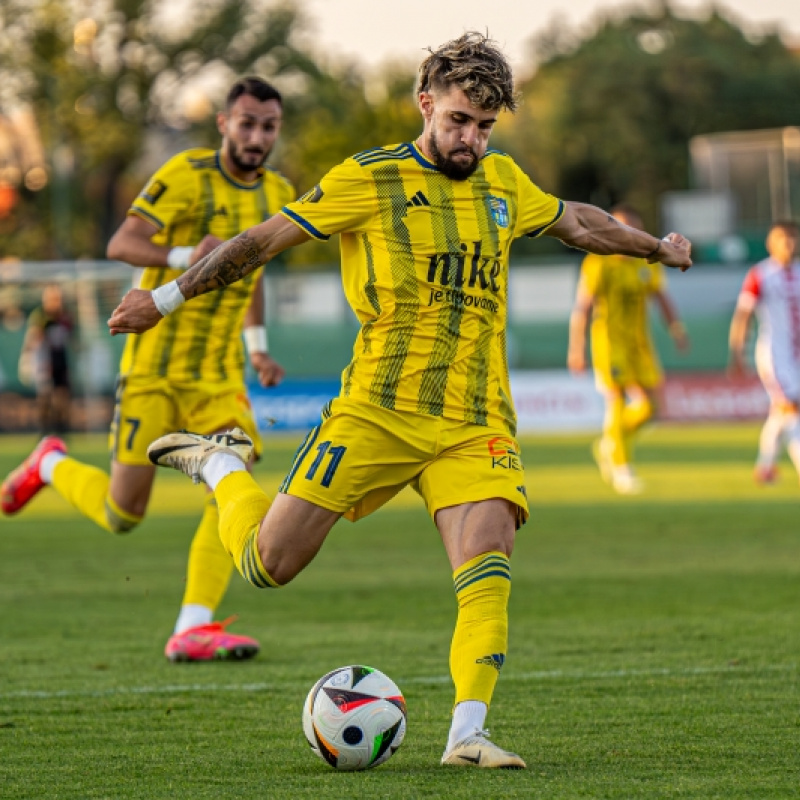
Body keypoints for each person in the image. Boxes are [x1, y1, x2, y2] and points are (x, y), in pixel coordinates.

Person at [106, 33, 692, 768]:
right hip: (375, 410)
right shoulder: (368, 178)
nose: (470, 140)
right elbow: (259, 241)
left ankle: (466, 735)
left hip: (475, 417)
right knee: (268, 565)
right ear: (425, 104)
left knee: (489, 562)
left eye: (484, 127)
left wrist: (653, 248)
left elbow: (579, 221)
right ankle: (223, 469)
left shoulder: (504, 181)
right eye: (457, 122)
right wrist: (161, 299)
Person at [1, 76, 292, 662]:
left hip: (216, 376)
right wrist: (191, 255)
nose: (256, 136)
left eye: (268, 126)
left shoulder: (279, 193)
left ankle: (194, 625)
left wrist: (256, 345)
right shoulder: (185, 173)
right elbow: (122, 243)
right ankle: (51, 463)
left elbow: (251, 273)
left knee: (232, 469)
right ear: (223, 123)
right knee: (122, 513)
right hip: (153, 369)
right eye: (246, 123)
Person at [567, 204, 689, 494]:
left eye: (630, 229)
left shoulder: (645, 263)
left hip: (640, 344)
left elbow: (662, 298)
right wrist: (576, 348)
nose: (624, 235)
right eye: (618, 228)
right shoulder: (598, 263)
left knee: (652, 407)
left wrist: (677, 330)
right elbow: (583, 308)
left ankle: (610, 442)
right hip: (609, 342)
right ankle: (622, 468)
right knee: (616, 401)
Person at [729, 220, 800, 485]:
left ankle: (765, 468)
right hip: (775, 356)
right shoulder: (761, 274)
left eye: (793, 238)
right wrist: (737, 351)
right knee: (792, 408)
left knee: (781, 412)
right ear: (771, 243)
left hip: (797, 356)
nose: (789, 244)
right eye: (783, 238)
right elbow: (743, 314)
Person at [19, 283, 74, 436]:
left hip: (61, 361)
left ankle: (61, 430)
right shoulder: (40, 317)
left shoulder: (66, 316)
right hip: (44, 361)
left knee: (63, 397)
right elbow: (33, 340)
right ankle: (44, 431)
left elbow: (71, 340)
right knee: (45, 396)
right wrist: (29, 360)